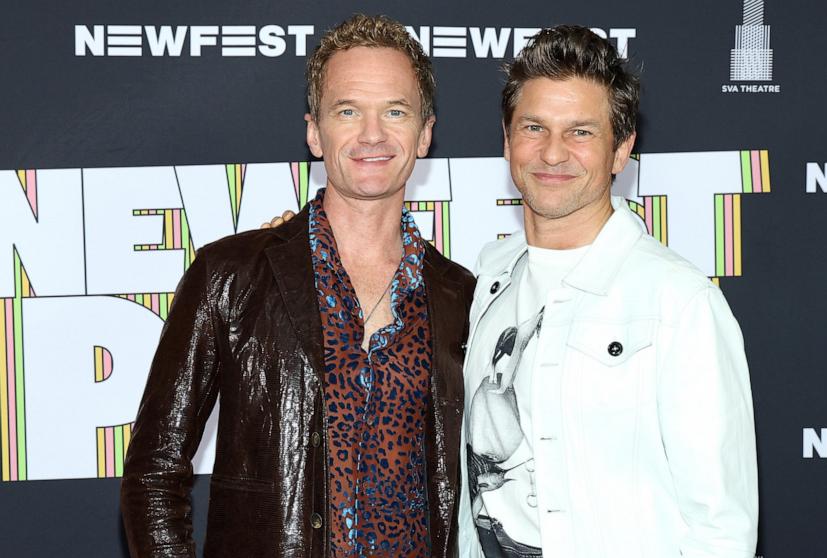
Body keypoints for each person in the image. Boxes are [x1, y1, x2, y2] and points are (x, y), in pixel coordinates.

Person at [120, 14, 474, 558]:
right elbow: (154, 471)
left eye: (395, 111)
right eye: (348, 110)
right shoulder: (231, 276)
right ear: (315, 131)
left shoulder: (461, 295)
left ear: (424, 134)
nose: (373, 133)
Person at [457, 26, 758, 558]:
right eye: (534, 127)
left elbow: (722, 530)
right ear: (506, 140)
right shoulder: (485, 278)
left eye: (580, 132)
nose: (552, 153)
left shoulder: (677, 302)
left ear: (621, 150)